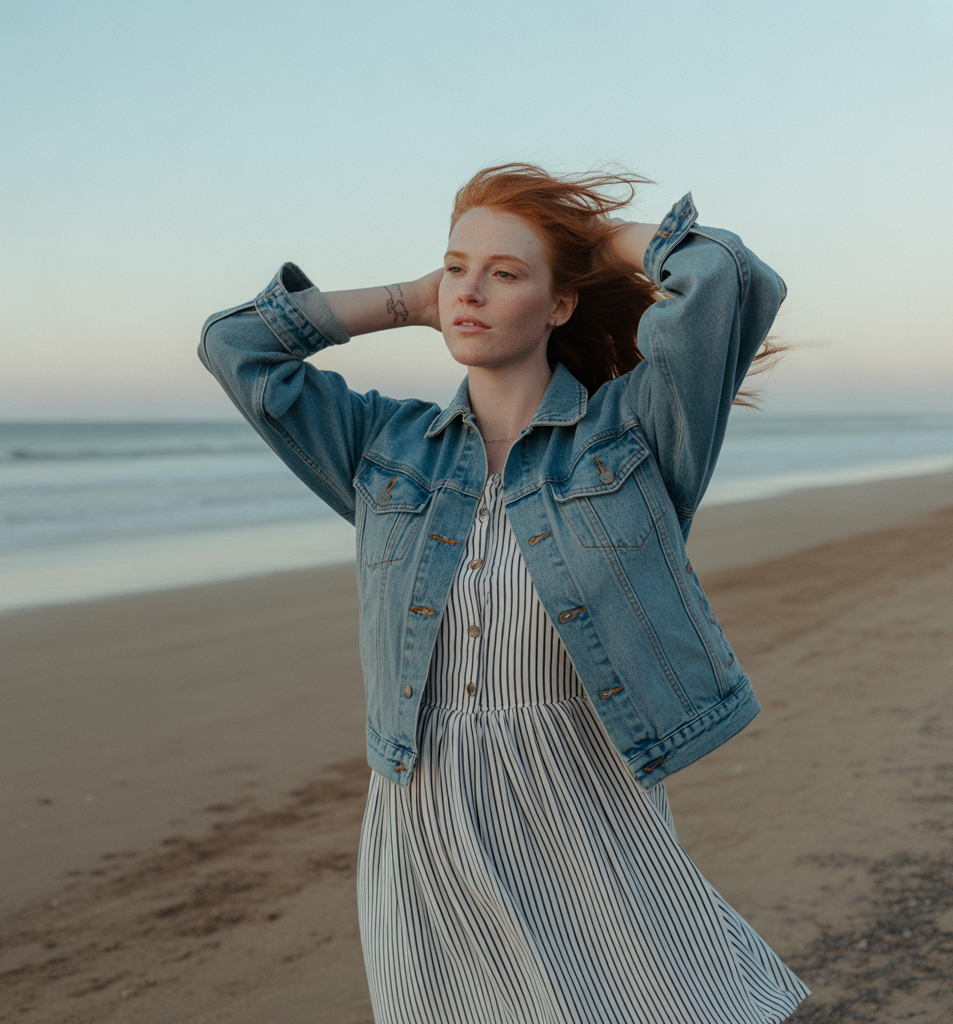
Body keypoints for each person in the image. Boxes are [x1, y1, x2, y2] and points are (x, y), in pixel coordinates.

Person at [199, 163, 810, 1023]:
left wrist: (585, 243)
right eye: (457, 268)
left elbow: (728, 278)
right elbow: (237, 347)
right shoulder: (385, 449)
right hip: (424, 816)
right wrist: (414, 297)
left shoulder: (632, 433)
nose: (471, 291)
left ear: (560, 305)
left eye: (506, 273)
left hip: (583, 805)